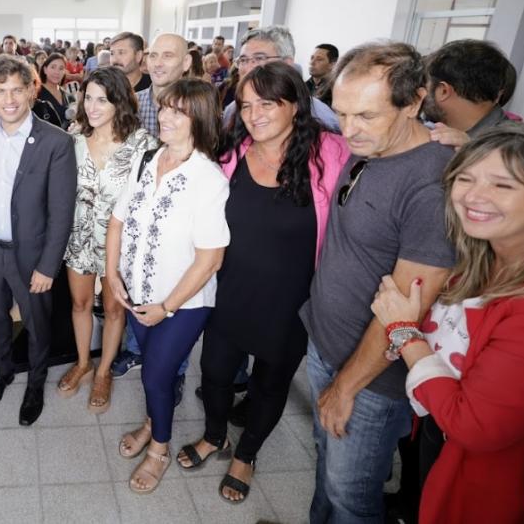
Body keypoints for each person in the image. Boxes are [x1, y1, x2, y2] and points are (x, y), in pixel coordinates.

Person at [177, 63, 349, 504]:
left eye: (267, 104)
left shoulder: (332, 152)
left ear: (295, 105)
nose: (254, 114)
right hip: (232, 291)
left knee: (269, 386)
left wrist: (450, 139)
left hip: (293, 300)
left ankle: (247, 454)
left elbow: (391, 151)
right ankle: (216, 436)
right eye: (247, 104)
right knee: (214, 373)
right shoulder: (232, 152)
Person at [299, 41, 456, 523]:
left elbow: (408, 306)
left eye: (366, 115)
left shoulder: (430, 184)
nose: (350, 130)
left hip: (371, 379)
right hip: (327, 344)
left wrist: (345, 387)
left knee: (352, 495)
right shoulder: (372, 145)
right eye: (343, 113)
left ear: (413, 102)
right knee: (327, 468)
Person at [370, 122, 524, 524]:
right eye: (465, 178)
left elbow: (474, 425)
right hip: (434, 434)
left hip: (482, 480)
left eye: (503, 185)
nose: (474, 196)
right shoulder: (483, 259)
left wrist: (403, 332)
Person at [106, 78, 229, 494]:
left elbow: (211, 257)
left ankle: (158, 448)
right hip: (137, 292)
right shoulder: (148, 159)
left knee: (157, 375)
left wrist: (167, 306)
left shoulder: (207, 177)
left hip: (184, 303)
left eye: (179, 111)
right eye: (165, 108)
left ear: (201, 118)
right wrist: (111, 274)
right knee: (155, 378)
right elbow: (118, 220)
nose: (166, 117)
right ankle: (152, 421)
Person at [0, 54, 76, 426]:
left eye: (18, 89)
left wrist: (48, 266)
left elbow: (62, 211)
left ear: (32, 90)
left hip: (32, 253)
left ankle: (36, 382)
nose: (10, 99)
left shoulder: (56, 142)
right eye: (0, 91)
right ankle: (3, 372)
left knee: (37, 323)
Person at [58, 67, 154, 414]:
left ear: (120, 102)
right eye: (89, 98)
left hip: (120, 243)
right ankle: (84, 362)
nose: (94, 107)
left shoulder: (143, 144)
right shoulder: (73, 137)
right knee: (80, 304)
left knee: (114, 309)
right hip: (80, 237)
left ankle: (103, 372)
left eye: (104, 99)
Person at [112, 33, 193, 382]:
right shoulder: (134, 101)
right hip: (136, 216)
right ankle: (135, 347)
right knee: (136, 282)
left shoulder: (201, 104)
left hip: (179, 221)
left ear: (186, 63)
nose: (158, 63)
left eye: (169, 56)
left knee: (176, 293)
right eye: (154, 55)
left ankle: (175, 369)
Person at [422, 39, 518, 148]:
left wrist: (471, 152)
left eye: (425, 85)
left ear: (443, 91)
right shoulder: (431, 125)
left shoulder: (517, 149)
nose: (419, 93)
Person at [39, 52, 71, 127]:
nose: (57, 72)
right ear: (45, 70)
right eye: (53, 67)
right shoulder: (36, 93)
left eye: (61, 68)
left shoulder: (64, 93)